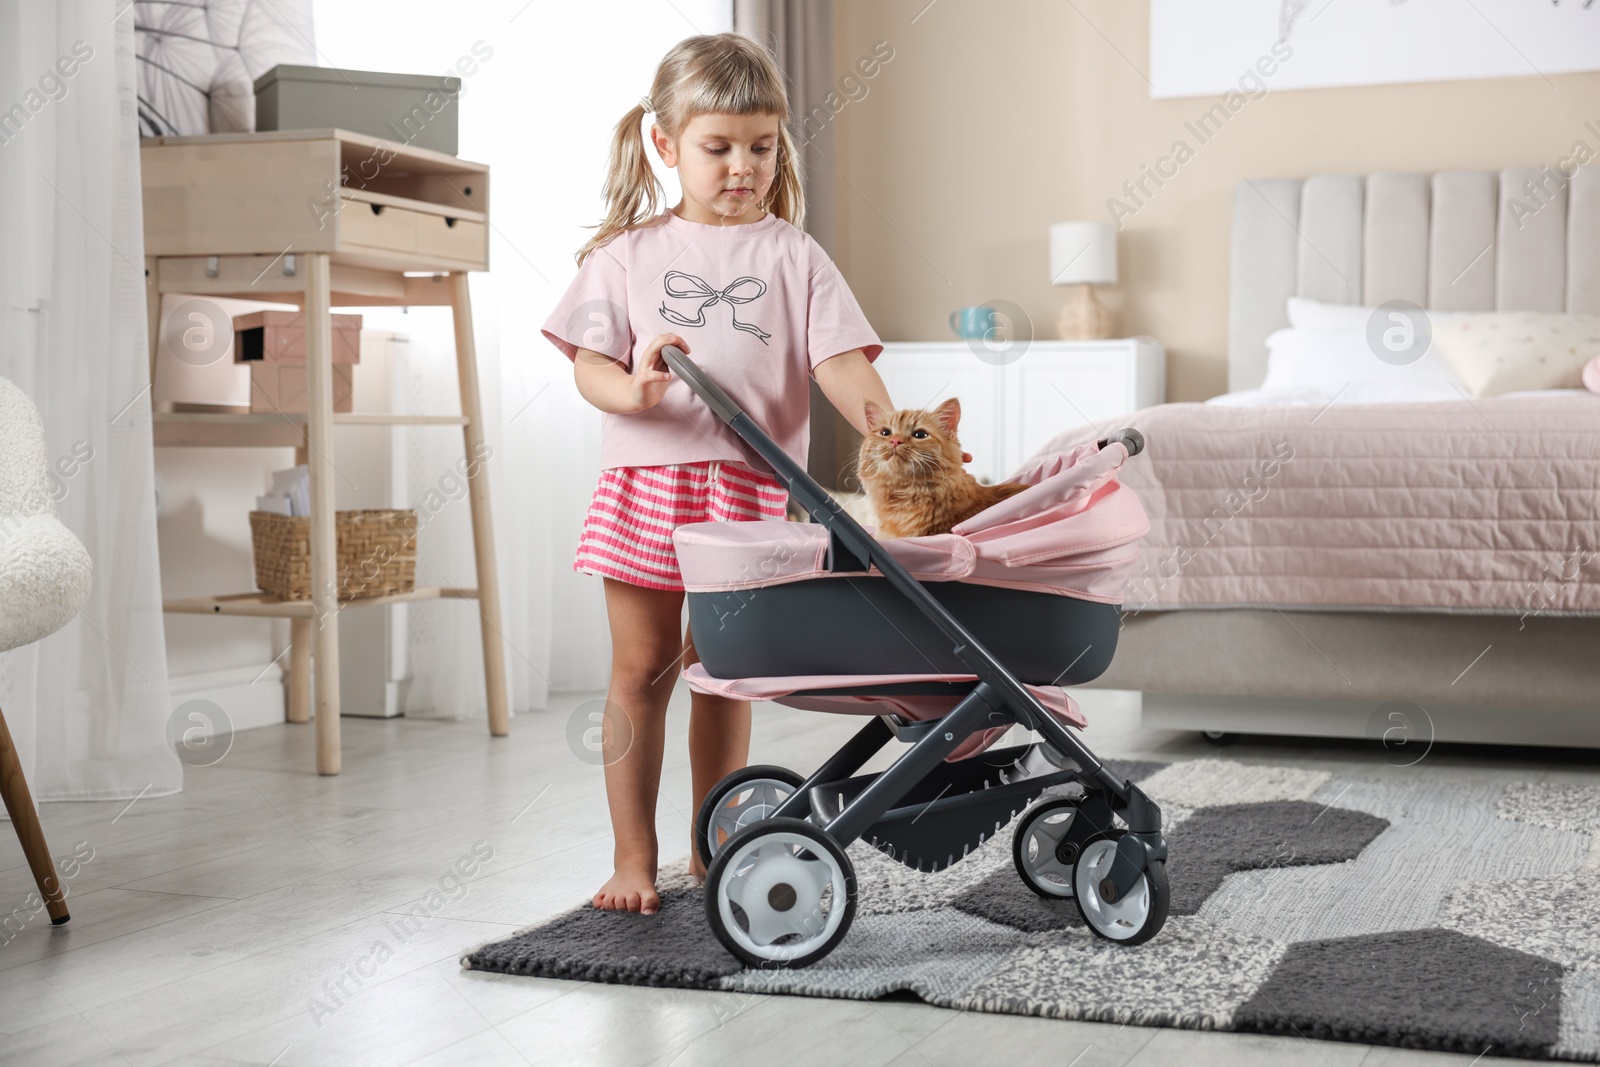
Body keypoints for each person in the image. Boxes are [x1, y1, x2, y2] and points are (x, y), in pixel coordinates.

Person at [542, 32, 894, 915]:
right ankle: (632, 856)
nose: (744, 165)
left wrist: (891, 429)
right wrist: (632, 384)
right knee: (641, 670)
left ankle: (716, 841)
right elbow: (589, 366)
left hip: (746, 492)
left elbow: (842, 361)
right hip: (646, 487)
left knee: (724, 668)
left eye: (762, 146)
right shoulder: (625, 255)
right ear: (666, 145)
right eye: (720, 146)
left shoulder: (795, 255)